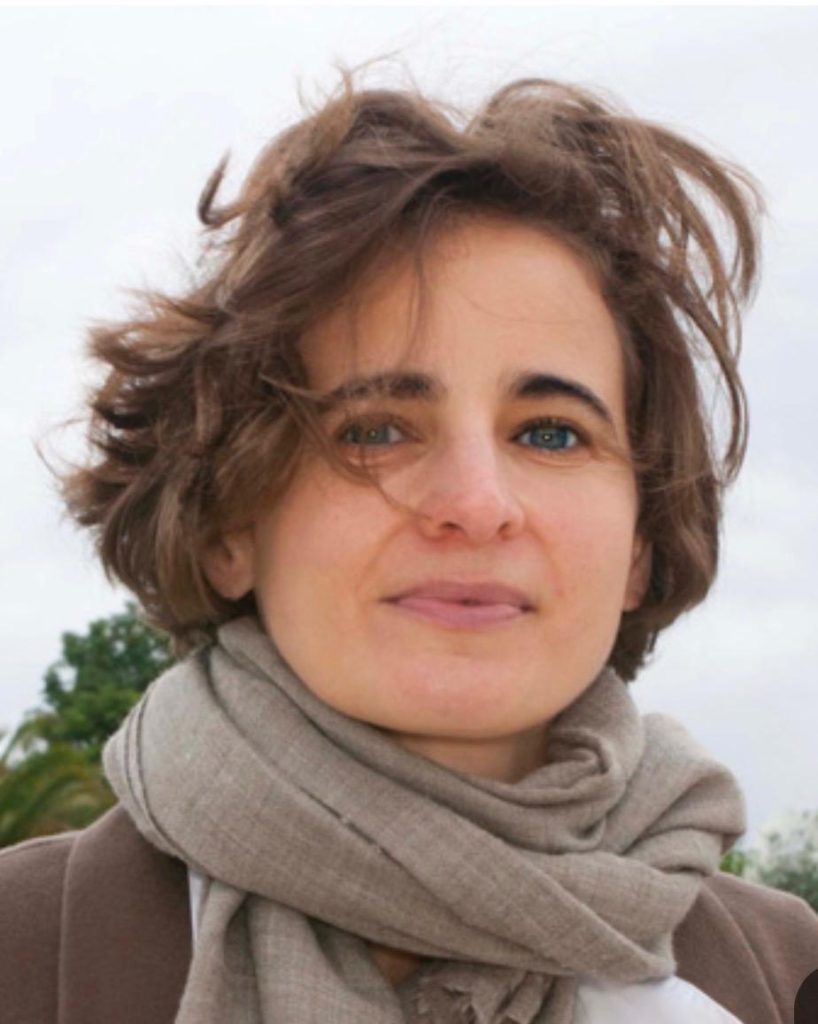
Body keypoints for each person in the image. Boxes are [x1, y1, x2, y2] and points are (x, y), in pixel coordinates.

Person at [1, 69, 816, 1024]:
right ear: (228, 526)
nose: (476, 504)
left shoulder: (787, 980)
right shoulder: (22, 951)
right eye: (376, 430)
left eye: (551, 432)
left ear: (642, 543)